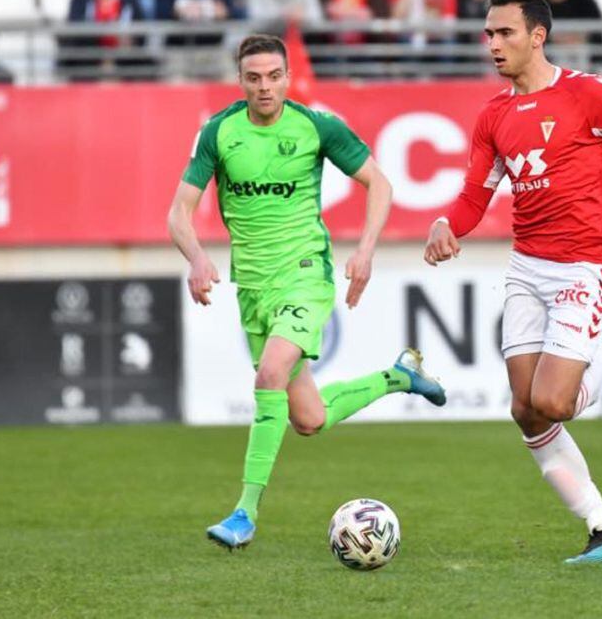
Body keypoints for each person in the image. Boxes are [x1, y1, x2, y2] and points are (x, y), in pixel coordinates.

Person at [423, 0, 602, 564]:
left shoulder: (587, 95)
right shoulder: (493, 115)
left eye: (505, 33)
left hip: (584, 263)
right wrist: (449, 224)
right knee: (524, 410)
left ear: (537, 36)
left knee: (554, 400)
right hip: (527, 266)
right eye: (489, 33)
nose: (493, 44)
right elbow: (476, 196)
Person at [168, 34, 446, 549]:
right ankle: (399, 376)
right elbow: (178, 211)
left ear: (288, 77)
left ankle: (244, 514)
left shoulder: (315, 127)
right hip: (251, 286)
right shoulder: (219, 133)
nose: (264, 87)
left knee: (271, 373)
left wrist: (364, 251)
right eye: (254, 78)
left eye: (274, 76)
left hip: (304, 274)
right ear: (241, 81)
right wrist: (198, 257)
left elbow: (380, 184)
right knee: (309, 419)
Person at [63, 0, 152, 80]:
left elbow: (142, 31)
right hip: (91, 55)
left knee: (148, 64)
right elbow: (74, 30)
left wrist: (131, 39)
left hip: (124, 55)